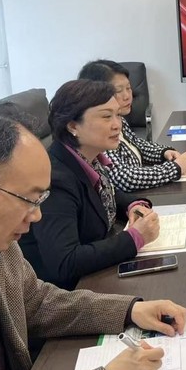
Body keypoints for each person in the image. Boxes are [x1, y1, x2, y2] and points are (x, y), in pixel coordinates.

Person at [0, 112, 186, 370]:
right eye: (28, 200)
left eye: (40, 200)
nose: (37, 216)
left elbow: (36, 303)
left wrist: (130, 310)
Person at [19, 79, 160, 290]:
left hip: (97, 274)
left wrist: (133, 205)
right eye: (106, 116)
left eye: (118, 115)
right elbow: (66, 262)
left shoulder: (86, 158)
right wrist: (134, 239)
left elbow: (104, 192)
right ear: (73, 125)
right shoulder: (55, 180)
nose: (117, 125)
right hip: (70, 292)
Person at [78, 60, 186, 192]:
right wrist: (174, 169)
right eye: (118, 91)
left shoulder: (119, 119)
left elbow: (137, 145)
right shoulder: (97, 133)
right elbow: (124, 178)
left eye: (128, 88)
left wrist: (163, 153)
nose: (127, 96)